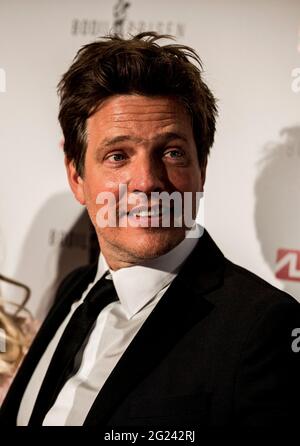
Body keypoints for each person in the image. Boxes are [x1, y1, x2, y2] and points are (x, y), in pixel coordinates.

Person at [1, 32, 299, 426]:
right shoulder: (75, 289)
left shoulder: (262, 328)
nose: (147, 181)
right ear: (76, 177)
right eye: (118, 155)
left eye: (172, 152)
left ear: (201, 171)